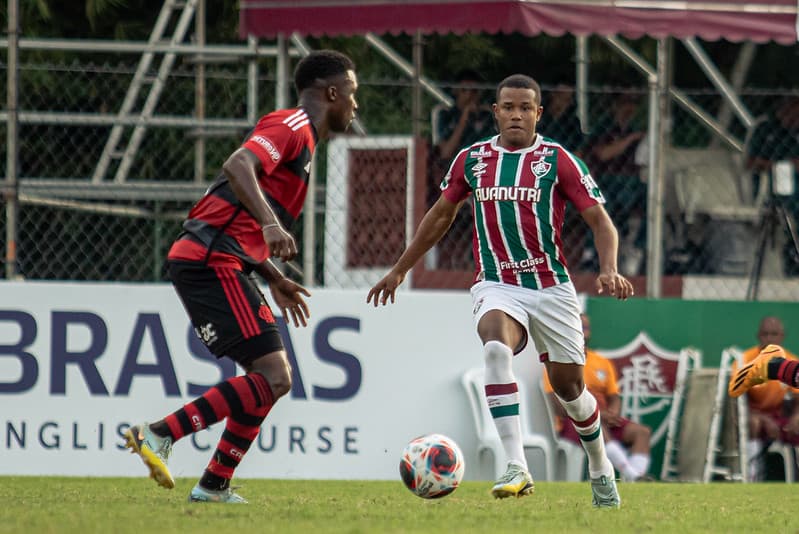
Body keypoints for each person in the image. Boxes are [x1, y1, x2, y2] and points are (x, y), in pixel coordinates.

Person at [367, 74, 634, 507]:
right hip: (497, 282)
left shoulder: (558, 160)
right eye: (508, 107)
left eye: (525, 108)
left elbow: (601, 222)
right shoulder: (472, 161)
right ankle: (516, 466)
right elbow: (439, 216)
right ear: (496, 112)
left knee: (570, 391)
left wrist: (608, 269)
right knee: (494, 347)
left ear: (538, 113)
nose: (516, 114)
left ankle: (601, 467)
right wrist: (400, 269)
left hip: (551, 287)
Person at [123, 50, 359, 504]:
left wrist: (272, 275)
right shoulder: (292, 126)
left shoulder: (305, 143)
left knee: (268, 378)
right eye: (352, 95)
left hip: (222, 258)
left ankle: (214, 485)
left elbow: (241, 223)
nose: (355, 105)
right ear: (332, 93)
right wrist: (272, 224)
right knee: (274, 376)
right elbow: (237, 165)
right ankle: (158, 434)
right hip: (210, 259)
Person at [543, 313, 653, 482]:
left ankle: (635, 480)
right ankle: (634, 476)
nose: (583, 332)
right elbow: (559, 406)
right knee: (597, 425)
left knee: (642, 432)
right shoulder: (557, 362)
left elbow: (614, 396)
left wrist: (613, 414)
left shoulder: (602, 362)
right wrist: (600, 415)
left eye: (586, 328)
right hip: (574, 423)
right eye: (579, 327)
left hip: (605, 418)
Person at [430, 69, 496, 270]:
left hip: (485, 172)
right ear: (457, 92)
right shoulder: (444, 114)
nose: (471, 96)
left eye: (475, 92)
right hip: (453, 173)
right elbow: (445, 151)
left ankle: (482, 255)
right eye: (466, 91)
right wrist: (464, 118)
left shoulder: (487, 116)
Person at [727, 316, 799, 481]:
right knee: (754, 423)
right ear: (759, 335)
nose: (770, 338)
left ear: (782, 336)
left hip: (778, 414)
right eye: (766, 334)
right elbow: (735, 399)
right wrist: (762, 417)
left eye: (774, 334)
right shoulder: (745, 359)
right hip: (753, 414)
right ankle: (752, 476)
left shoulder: (791, 358)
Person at [582, 92, 646, 276]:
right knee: (603, 202)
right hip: (606, 180)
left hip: (630, 182)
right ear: (616, 105)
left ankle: (637, 249)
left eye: (633, 103)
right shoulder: (605, 127)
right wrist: (630, 140)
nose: (629, 108)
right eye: (625, 103)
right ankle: (590, 254)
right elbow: (603, 154)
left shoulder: (633, 129)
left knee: (650, 199)